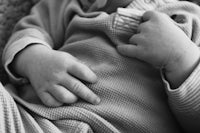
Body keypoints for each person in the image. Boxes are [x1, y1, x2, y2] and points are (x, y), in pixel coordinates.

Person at [1, 0, 200, 132]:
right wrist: (35, 58)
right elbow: (29, 32)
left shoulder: (190, 17)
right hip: (34, 120)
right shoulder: (67, 4)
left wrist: (182, 57)